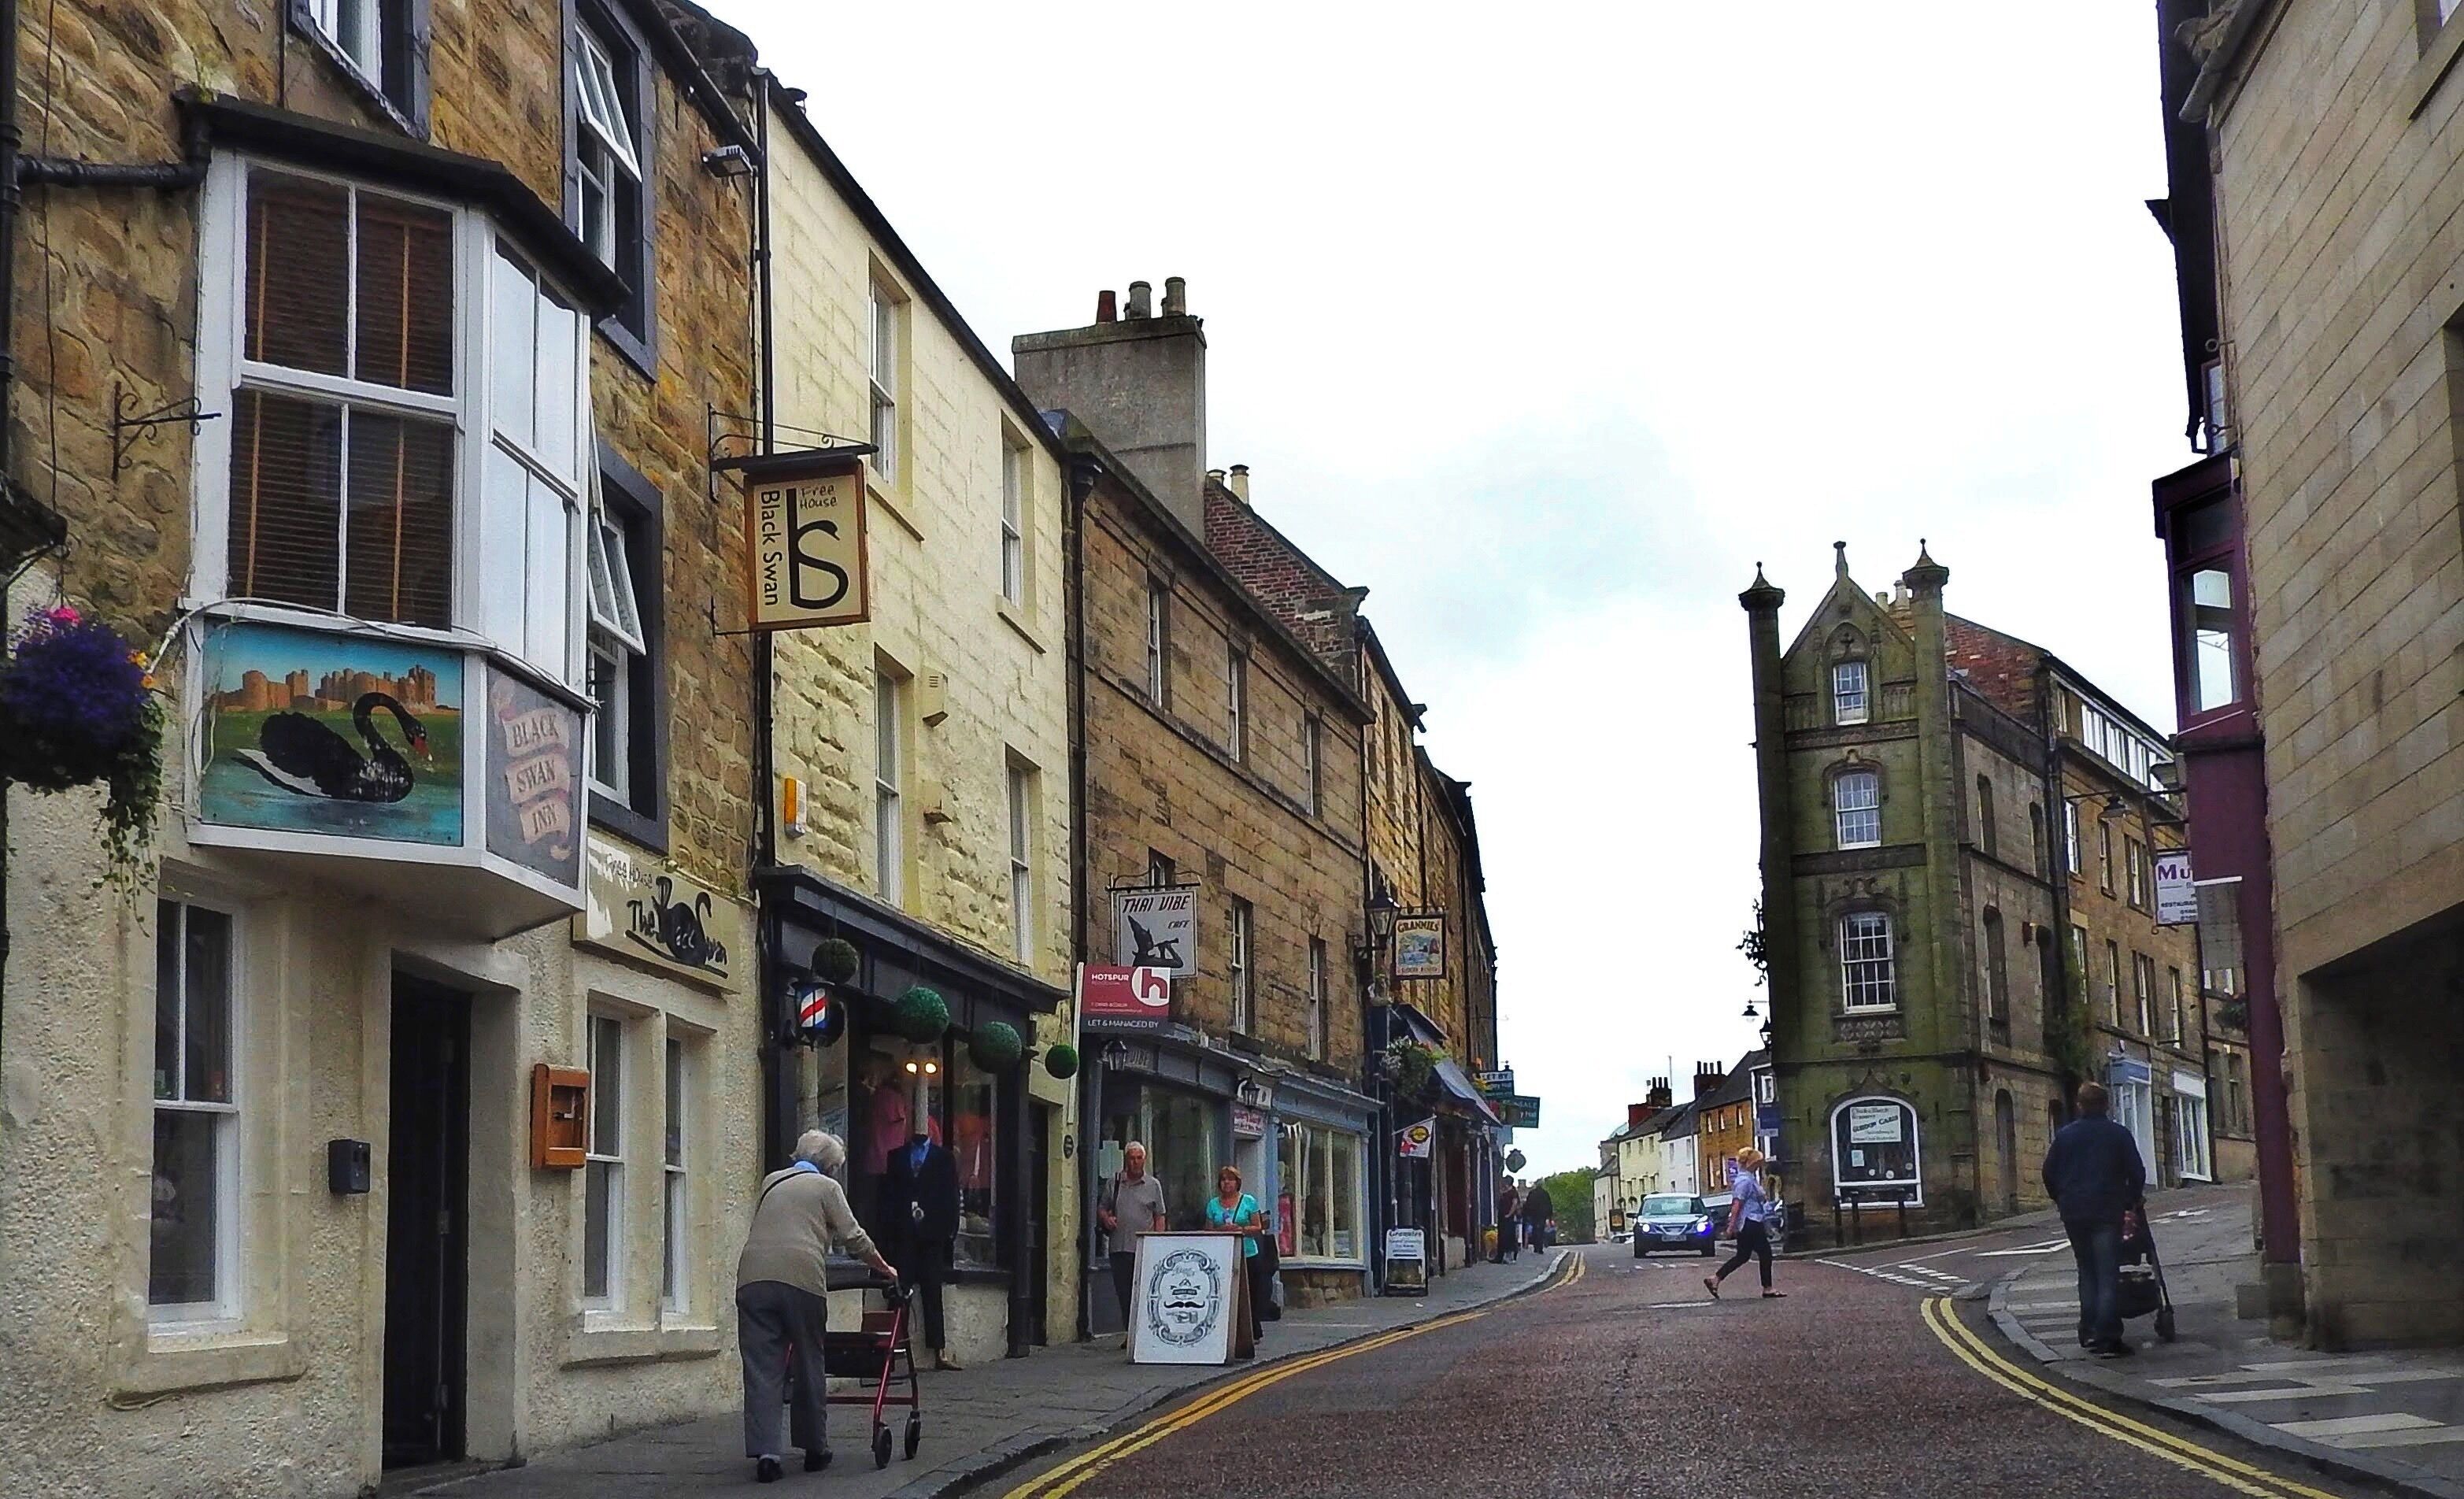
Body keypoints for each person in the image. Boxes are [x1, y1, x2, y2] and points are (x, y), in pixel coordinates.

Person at [736, 1131, 897, 1485]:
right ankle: (814, 1449)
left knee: (763, 1367)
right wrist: (885, 1268)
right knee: (809, 1359)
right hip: (801, 1279)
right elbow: (853, 1237)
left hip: (752, 1279)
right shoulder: (827, 1188)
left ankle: (767, 1454)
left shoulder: (772, 1181)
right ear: (831, 1166)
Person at [2044, 1081, 2147, 1358]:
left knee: (2086, 1271)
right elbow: (2136, 1172)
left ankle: (2088, 1330)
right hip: (2106, 1210)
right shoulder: (2118, 1135)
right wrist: (2132, 1201)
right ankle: (2108, 1337)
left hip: (2074, 1212)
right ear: (2107, 1105)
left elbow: (2049, 1173)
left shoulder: (2065, 1136)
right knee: (2106, 1273)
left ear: (2079, 1105)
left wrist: (2061, 1199)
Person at [882, 1116, 964, 1370]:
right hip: (903, 1233)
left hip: (932, 1235)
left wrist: (950, 1230)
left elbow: (950, 1194)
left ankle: (938, 1350)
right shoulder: (896, 1156)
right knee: (899, 1291)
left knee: (932, 1292)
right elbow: (888, 1196)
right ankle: (892, 1347)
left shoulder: (943, 1158)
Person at [1097, 1142, 1167, 1327]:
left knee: (1144, 1292)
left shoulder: (1153, 1185)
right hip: (1120, 1247)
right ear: (1126, 1160)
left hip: (1144, 1248)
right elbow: (1102, 1207)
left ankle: (1144, 1331)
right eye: (1131, 1158)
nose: (1135, 1162)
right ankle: (1130, 1333)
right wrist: (1106, 1219)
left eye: (1139, 1158)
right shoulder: (1116, 1182)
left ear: (1144, 1160)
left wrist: (1159, 1243)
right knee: (1124, 1293)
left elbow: (1159, 1216)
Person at [1704, 1146, 1782, 1299]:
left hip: (1752, 1221)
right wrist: (1731, 1226)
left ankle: (1715, 1279)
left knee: (1743, 1256)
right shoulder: (1745, 1181)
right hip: (1750, 1222)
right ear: (1752, 1163)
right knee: (1765, 1253)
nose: (1760, 1165)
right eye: (1758, 1162)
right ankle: (1768, 1288)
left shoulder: (1749, 1178)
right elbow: (1737, 1204)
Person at [1204, 1164, 1270, 1349]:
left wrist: (1240, 1229)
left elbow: (1258, 1227)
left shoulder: (1248, 1201)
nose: (1227, 1183)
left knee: (1250, 1294)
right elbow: (1207, 1231)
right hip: (1222, 1255)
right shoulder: (1212, 1204)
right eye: (1224, 1179)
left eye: (1230, 1179)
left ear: (1237, 1183)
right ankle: (1227, 1331)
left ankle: (1253, 1331)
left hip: (1247, 1253)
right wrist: (1221, 1230)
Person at [1519, 1178, 1554, 1251]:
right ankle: (1540, 1247)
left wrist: (1527, 1214)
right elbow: (1549, 1205)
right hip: (1542, 1215)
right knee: (1541, 1230)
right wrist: (1549, 1216)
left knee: (1535, 1230)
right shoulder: (1545, 1193)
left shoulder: (1532, 1193)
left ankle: (1536, 1247)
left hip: (1534, 1215)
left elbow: (1528, 1204)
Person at [1493, 1177, 1519, 1263]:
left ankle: (1509, 1256)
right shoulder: (1505, 1192)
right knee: (1502, 1237)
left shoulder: (1513, 1193)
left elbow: (1515, 1204)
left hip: (1508, 1219)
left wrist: (1509, 1214)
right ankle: (1500, 1257)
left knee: (1508, 1236)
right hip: (1502, 1218)